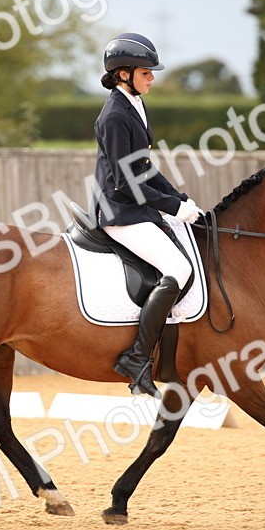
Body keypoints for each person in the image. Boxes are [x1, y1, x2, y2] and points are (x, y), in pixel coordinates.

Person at [91, 32, 204, 398]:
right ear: (124, 74)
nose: (153, 77)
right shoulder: (114, 116)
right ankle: (136, 358)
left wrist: (180, 199)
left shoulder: (133, 105)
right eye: (146, 72)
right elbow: (125, 180)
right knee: (180, 269)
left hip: (136, 205)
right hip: (120, 209)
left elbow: (144, 168)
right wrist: (171, 207)